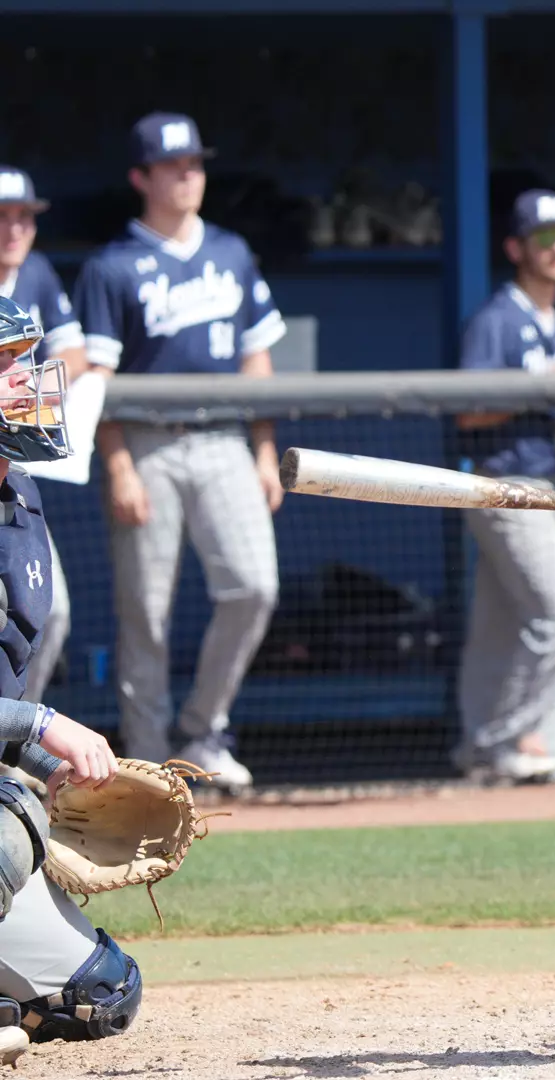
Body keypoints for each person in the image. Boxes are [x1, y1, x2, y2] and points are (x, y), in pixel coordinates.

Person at [73, 113, 286, 791]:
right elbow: (95, 383)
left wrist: (263, 446)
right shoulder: (112, 265)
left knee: (255, 586)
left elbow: (259, 357)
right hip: (148, 444)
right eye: (173, 166)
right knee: (146, 612)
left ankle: (203, 729)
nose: (188, 175)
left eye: (194, 163)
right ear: (141, 177)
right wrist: (118, 464)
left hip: (225, 437)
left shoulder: (231, 251)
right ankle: (145, 761)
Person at [0, 295, 143, 1067]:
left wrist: (54, 767)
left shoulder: (18, 496)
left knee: (101, 994)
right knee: (9, 817)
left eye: (22, 360)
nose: (24, 380)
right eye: (2, 366)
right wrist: (40, 727)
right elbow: (21, 712)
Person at [452, 189, 555, 784]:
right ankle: (502, 738)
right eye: (544, 238)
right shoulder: (499, 317)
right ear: (516, 248)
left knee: (501, 627)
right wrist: (542, 387)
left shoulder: (553, 325)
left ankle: (480, 749)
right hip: (504, 482)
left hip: (541, 482)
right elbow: (466, 410)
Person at [0, 167, 84, 703]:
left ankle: (13, 748)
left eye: (24, 217)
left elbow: (73, 352)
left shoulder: (38, 274)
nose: (14, 229)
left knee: (47, 609)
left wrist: (22, 390)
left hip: (12, 468)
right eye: (2, 218)